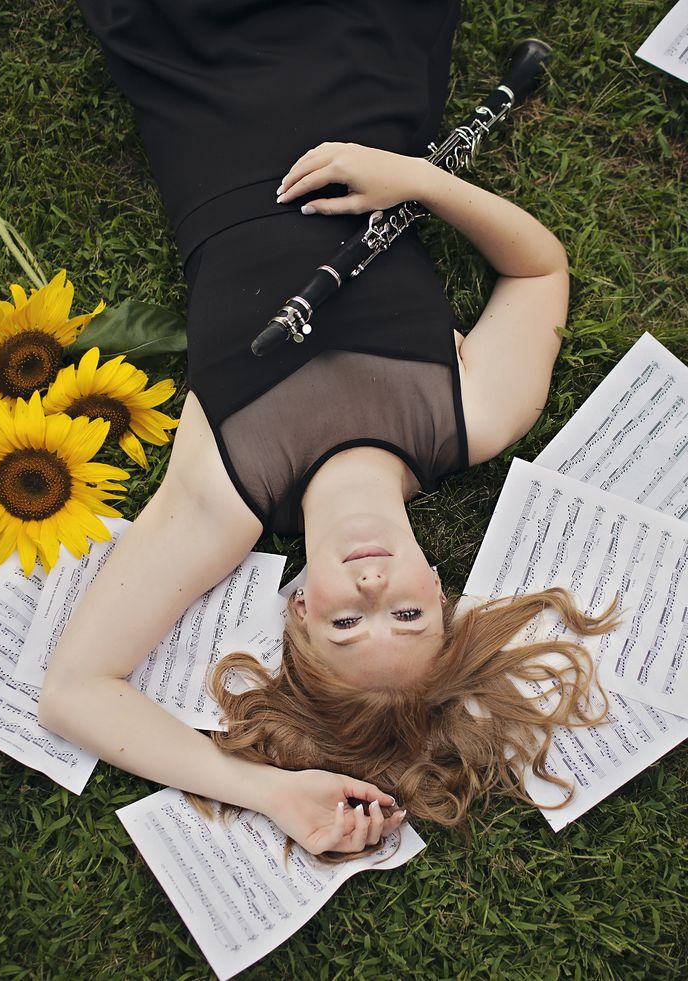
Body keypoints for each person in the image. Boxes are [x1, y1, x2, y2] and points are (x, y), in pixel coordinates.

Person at [39, 0, 614, 855]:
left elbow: (75, 690)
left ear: (299, 609)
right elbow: (539, 270)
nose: (373, 590)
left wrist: (267, 791)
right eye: (409, 616)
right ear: (439, 587)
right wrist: (422, 182)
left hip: (195, 64)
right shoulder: (473, 417)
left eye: (347, 625)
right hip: (365, 47)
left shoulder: (227, 494)